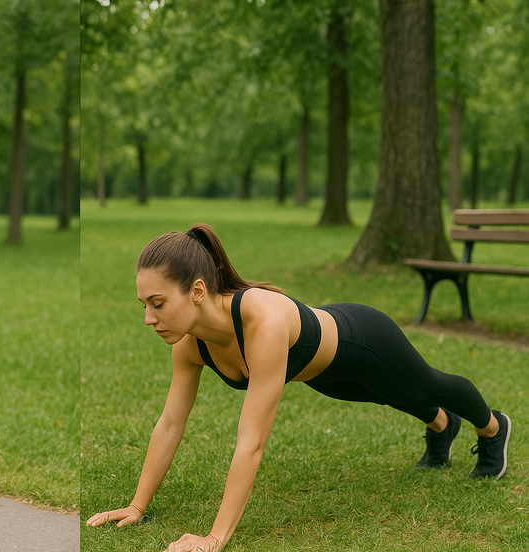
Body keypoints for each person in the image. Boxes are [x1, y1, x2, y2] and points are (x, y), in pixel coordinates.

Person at [86, 223, 512, 552]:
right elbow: (169, 425)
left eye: (157, 304)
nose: (149, 318)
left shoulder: (262, 321)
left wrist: (215, 537)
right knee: (393, 396)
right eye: (144, 305)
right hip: (319, 373)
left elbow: (251, 442)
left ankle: (492, 427)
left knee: (424, 385)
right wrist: (137, 506)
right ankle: (441, 426)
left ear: (197, 290)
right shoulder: (190, 344)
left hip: (363, 340)